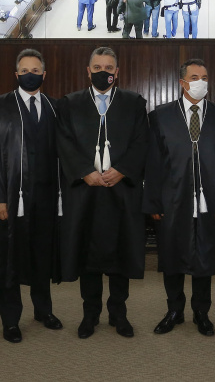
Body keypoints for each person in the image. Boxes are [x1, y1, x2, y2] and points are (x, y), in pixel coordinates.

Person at [55, 47, 148, 339]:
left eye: (109, 67)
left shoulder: (133, 103)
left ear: (117, 72)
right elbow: (64, 142)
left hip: (121, 192)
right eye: (97, 67)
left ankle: (118, 314)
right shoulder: (70, 104)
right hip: (86, 194)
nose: (103, 71)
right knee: (88, 256)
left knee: (121, 255)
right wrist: (85, 172)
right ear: (88, 70)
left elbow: (141, 142)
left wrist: (122, 169)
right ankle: (90, 314)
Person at [145, 59, 215, 337]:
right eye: (194, 77)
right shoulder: (161, 115)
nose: (200, 82)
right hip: (172, 199)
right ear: (182, 82)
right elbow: (153, 162)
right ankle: (174, 310)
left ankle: (201, 313)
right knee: (172, 255)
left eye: (204, 77)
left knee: (204, 256)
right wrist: (154, 201)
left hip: (209, 200)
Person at [0, 49, 64, 343]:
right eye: (25, 70)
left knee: (43, 255)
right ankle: (11, 320)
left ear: (44, 74)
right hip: (10, 196)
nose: (31, 74)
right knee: (10, 258)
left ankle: (44, 310)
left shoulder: (56, 107)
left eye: (36, 69)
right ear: (16, 75)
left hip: (45, 197)